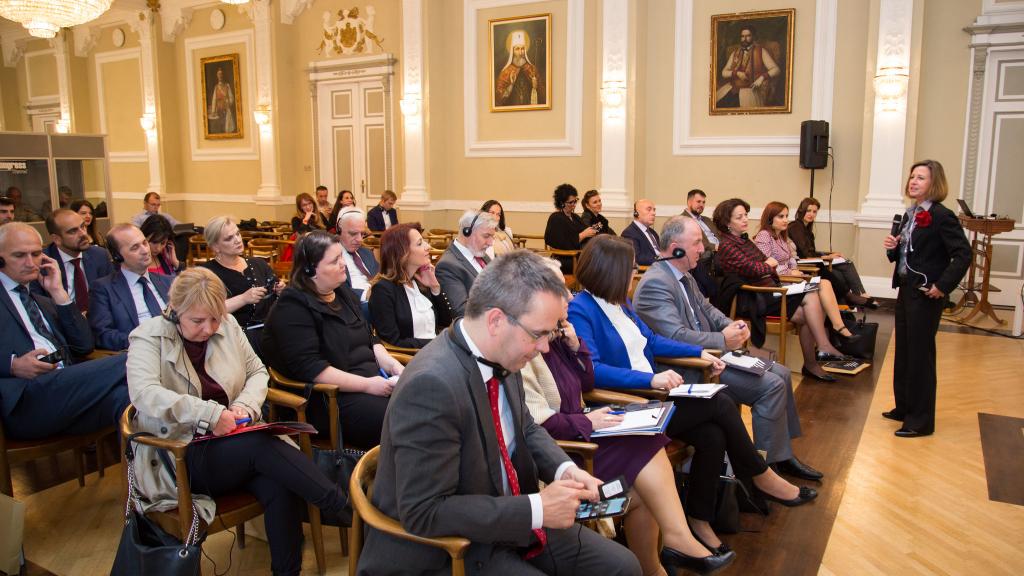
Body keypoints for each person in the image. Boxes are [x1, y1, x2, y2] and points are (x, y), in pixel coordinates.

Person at [358, 250, 640, 576]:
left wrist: (563, 470)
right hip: (450, 549)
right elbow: (424, 512)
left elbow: (525, 426)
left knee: (623, 566)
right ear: (496, 320)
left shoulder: (504, 351)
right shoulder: (431, 385)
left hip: (506, 520)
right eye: (539, 334)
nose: (545, 347)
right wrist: (537, 508)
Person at [568, 236, 817, 555]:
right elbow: (593, 371)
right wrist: (651, 379)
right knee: (720, 402)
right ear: (611, 271)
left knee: (713, 436)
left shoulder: (621, 304)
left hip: (650, 397)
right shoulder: (582, 309)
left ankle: (700, 520)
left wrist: (702, 351)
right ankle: (758, 475)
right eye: (631, 267)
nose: (635, 272)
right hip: (625, 404)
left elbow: (654, 342)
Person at [126, 267, 347, 576]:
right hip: (178, 454)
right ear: (174, 310)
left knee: (277, 482)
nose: (208, 329)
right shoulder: (148, 337)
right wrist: (211, 414)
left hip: (232, 442)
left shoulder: (226, 325)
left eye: (214, 318)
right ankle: (342, 505)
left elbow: (258, 372)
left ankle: (288, 572)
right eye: (198, 321)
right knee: (261, 444)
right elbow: (144, 393)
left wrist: (244, 405)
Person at [521, 266, 736, 574]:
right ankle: (676, 543)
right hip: (564, 448)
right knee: (653, 444)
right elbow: (538, 424)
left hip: (582, 427)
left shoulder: (557, 335)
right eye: (562, 292)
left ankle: (662, 559)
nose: (569, 296)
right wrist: (589, 422)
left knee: (650, 468)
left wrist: (574, 347)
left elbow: (586, 381)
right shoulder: (529, 348)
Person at [635, 217, 823, 481]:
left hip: (712, 356)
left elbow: (708, 309)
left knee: (781, 373)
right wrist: (722, 339)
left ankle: (783, 455)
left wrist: (731, 324)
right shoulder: (656, 283)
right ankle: (767, 467)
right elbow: (675, 336)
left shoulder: (684, 275)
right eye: (697, 242)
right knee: (772, 385)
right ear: (676, 248)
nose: (704, 249)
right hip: (689, 369)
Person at [262, 230, 405, 449]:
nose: (343, 265)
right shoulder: (292, 308)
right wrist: (368, 385)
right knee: (406, 421)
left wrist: (392, 365)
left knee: (425, 405)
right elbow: (312, 369)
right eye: (334, 261)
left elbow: (369, 336)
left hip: (373, 382)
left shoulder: (341, 292)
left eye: (341, 257)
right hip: (330, 399)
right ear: (311, 270)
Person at [0, 222, 129, 440]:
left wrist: (58, 292)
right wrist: (12, 365)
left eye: (36, 253)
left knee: (132, 398)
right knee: (137, 357)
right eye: (20, 255)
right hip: (26, 401)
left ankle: (151, 473)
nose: (31, 262)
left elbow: (84, 345)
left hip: (67, 390)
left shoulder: (42, 300)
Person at [713, 198, 848, 382]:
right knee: (812, 294)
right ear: (727, 222)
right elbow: (757, 268)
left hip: (769, 291)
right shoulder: (727, 245)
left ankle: (812, 363)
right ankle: (822, 347)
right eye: (739, 217)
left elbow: (764, 263)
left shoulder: (744, 240)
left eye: (746, 215)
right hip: (754, 298)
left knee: (811, 308)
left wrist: (767, 266)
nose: (745, 219)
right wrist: (768, 266)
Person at [882, 160, 971, 438]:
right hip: (906, 290)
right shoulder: (910, 214)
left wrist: (942, 286)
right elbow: (905, 256)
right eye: (912, 177)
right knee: (905, 352)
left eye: (920, 178)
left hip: (926, 294)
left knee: (921, 356)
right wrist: (892, 249)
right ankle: (905, 407)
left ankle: (920, 421)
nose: (914, 181)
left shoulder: (942, 216)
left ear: (934, 183)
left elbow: (963, 254)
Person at [754, 201, 861, 342]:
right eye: (781, 216)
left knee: (825, 283)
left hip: (791, 281)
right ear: (770, 218)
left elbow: (791, 259)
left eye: (786, 216)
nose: (786, 220)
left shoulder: (780, 236)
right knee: (822, 287)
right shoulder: (764, 236)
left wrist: (793, 269)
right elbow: (765, 266)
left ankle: (835, 329)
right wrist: (789, 273)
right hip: (779, 285)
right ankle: (835, 331)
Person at [200, 216, 283, 357]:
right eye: (229, 238)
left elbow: (276, 297)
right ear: (215, 247)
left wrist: (280, 291)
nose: (238, 240)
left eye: (237, 234)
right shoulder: (207, 273)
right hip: (235, 340)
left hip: (270, 333)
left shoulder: (258, 264)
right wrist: (243, 299)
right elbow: (206, 311)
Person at [89, 224, 173, 351]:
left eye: (144, 243)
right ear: (117, 256)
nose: (145, 250)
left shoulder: (169, 282)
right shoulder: (103, 289)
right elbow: (103, 335)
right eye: (135, 248)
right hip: (140, 355)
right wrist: (145, 342)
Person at [368, 223, 452, 349]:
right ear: (402, 253)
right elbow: (392, 342)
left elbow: (445, 322)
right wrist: (435, 344)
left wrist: (435, 287)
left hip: (435, 352)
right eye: (419, 244)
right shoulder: (383, 290)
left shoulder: (419, 282)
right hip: (411, 359)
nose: (428, 246)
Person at [788, 197, 877, 308]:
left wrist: (828, 254)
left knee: (841, 271)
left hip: (812, 261)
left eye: (814, 211)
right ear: (802, 211)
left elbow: (812, 252)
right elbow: (806, 254)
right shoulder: (795, 226)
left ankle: (847, 304)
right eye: (808, 210)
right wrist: (827, 255)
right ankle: (857, 295)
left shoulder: (807, 231)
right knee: (846, 264)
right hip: (804, 263)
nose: (811, 214)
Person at [39, 209, 113, 313]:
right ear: (56, 239)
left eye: (83, 226)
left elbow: (112, 296)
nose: (83, 234)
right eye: (73, 231)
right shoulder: (42, 264)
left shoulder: (99, 255)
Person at [436, 210, 496, 317]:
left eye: (492, 237)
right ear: (467, 232)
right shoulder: (448, 266)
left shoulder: (481, 254)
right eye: (486, 236)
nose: (491, 243)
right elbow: (462, 311)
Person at [716, 26, 781, 109]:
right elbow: (724, 73)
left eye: (748, 36)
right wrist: (737, 73)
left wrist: (761, 78)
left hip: (750, 90)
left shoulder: (761, 51)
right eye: (742, 36)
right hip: (733, 88)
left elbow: (776, 69)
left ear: (753, 37)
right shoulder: (735, 53)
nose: (744, 39)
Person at [544, 183, 597, 274]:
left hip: (577, 255)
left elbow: (585, 229)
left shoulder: (574, 216)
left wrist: (592, 231)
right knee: (599, 262)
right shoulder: (556, 218)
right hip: (566, 258)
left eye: (575, 201)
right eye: (570, 202)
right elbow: (562, 244)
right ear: (561, 203)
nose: (574, 204)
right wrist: (582, 235)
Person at [495, 29, 545, 107]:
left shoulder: (532, 69)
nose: (521, 52)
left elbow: (543, 96)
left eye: (522, 48)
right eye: (517, 49)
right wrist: (511, 85)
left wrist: (536, 87)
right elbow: (499, 99)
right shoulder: (506, 72)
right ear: (512, 51)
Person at [337, 207, 379, 301]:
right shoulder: (331, 256)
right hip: (355, 303)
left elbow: (379, 276)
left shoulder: (366, 252)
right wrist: (366, 294)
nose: (360, 239)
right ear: (339, 230)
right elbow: (337, 290)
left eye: (362, 234)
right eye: (353, 234)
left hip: (377, 298)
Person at [621, 199, 661, 266]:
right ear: (636, 214)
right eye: (649, 209)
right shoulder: (629, 233)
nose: (654, 213)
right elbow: (636, 258)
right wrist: (661, 260)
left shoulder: (653, 233)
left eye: (654, 210)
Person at [207, 67, 236, 134]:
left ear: (223, 75)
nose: (220, 76)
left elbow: (231, 97)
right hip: (219, 110)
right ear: (217, 76)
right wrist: (214, 111)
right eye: (218, 74)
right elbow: (214, 100)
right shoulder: (216, 87)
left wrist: (228, 102)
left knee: (227, 128)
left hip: (226, 110)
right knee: (220, 128)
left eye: (221, 74)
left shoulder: (227, 86)